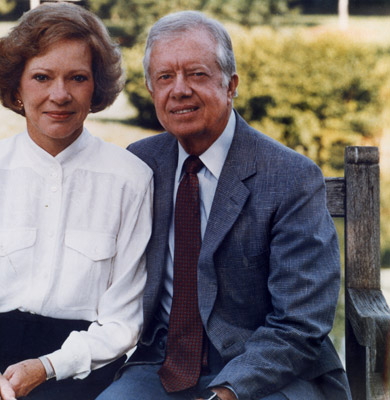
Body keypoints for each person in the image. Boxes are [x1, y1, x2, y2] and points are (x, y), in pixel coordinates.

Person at [97, 10, 352, 400]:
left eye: (196, 74)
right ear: (152, 91)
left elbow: (300, 323)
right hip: (161, 365)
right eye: (165, 77)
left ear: (230, 85)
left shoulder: (290, 176)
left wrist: (228, 392)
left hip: (268, 369)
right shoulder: (141, 163)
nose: (179, 90)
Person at [0, 3, 153, 400]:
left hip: (80, 366)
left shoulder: (130, 180)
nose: (58, 95)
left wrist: (48, 367)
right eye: (42, 77)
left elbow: (122, 321)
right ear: (16, 88)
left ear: (96, 87)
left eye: (77, 78)